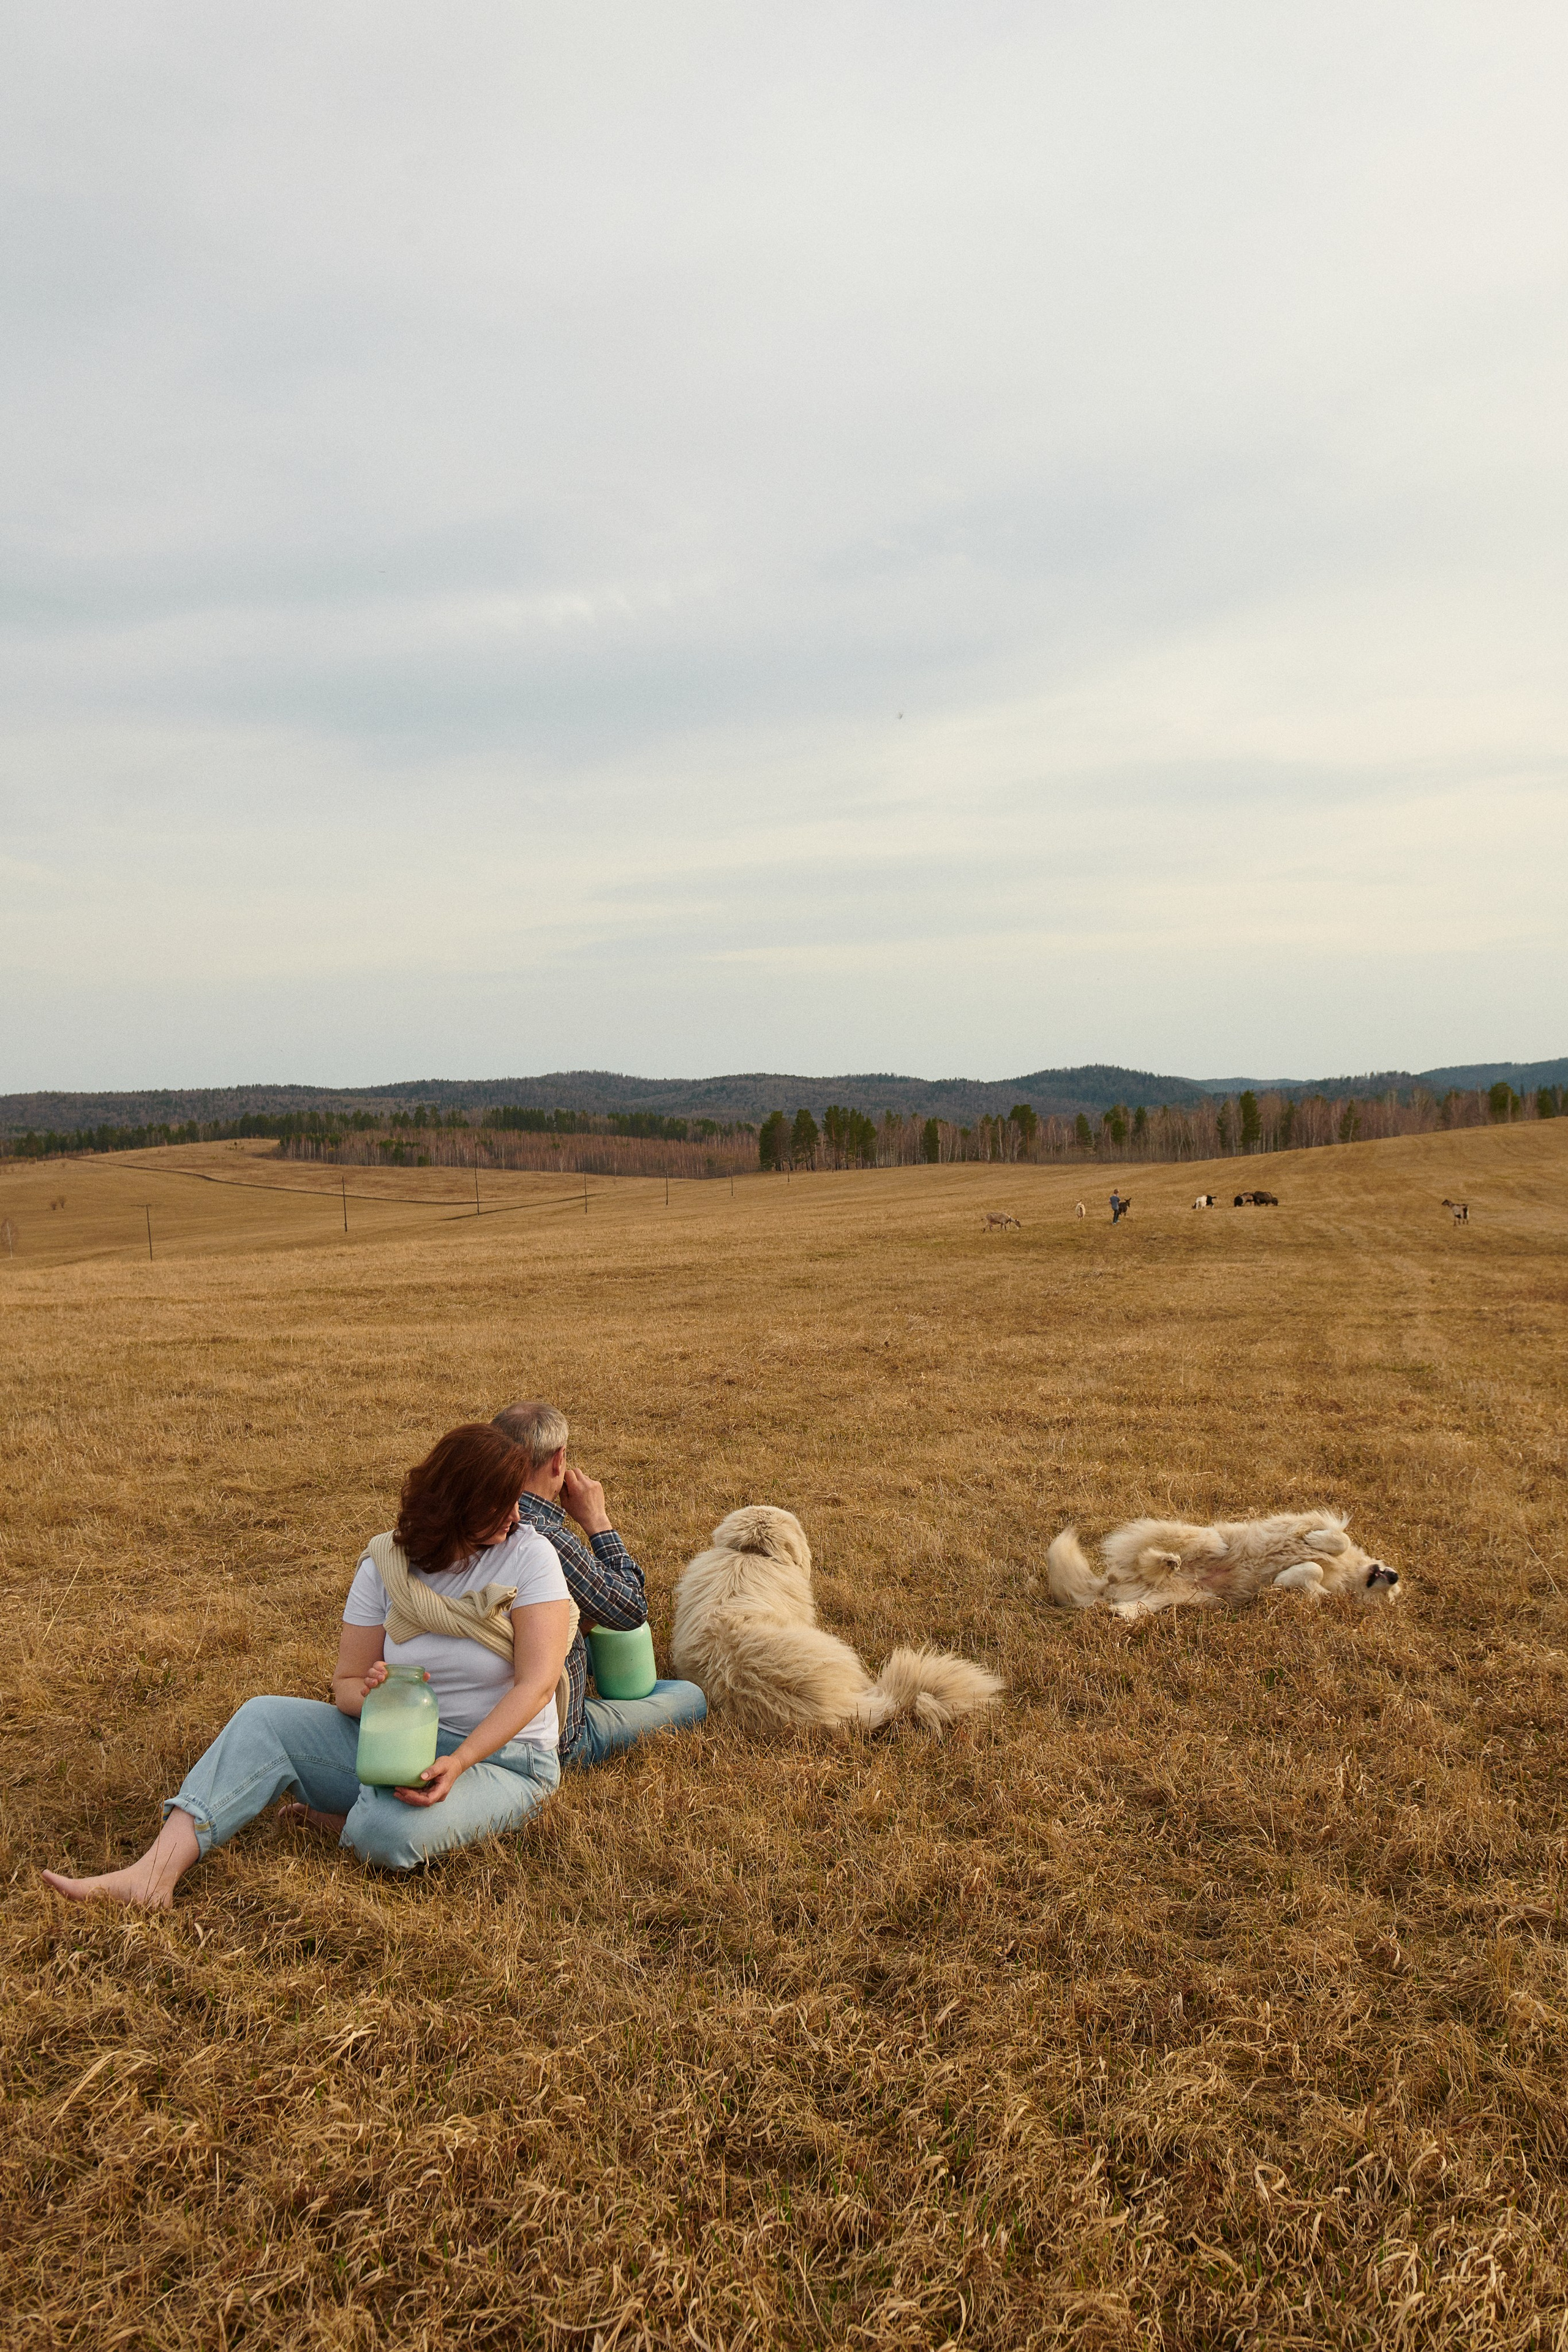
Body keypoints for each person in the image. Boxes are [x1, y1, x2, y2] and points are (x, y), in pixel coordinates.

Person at [41, 1423, 575, 1907]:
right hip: (395, 1745)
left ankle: (348, 1819)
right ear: (458, 1505)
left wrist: (458, 1762)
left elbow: (537, 1684)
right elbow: (346, 1684)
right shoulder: (387, 1563)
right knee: (263, 1717)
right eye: (500, 1505)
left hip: (503, 1760)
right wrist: (379, 1697)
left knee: (387, 1835)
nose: (516, 1516)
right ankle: (153, 1874)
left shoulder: (529, 1556)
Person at [491, 1399, 706, 1768]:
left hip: (482, 1699)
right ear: (559, 1460)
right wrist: (598, 1522)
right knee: (688, 1695)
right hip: (556, 1736)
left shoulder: (475, 1518)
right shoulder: (544, 1537)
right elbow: (630, 1610)